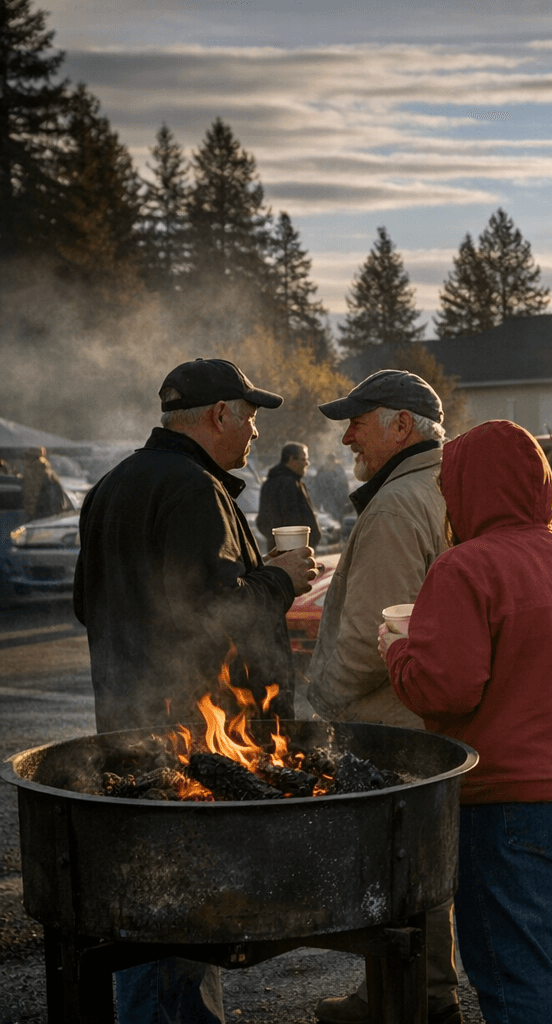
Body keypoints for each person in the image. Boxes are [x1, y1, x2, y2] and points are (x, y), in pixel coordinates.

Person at [73, 357, 316, 1024]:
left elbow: (85, 605)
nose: (257, 434)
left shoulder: (110, 488)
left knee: (148, 905)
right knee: (180, 914)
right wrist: (281, 580)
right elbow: (214, 614)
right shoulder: (195, 491)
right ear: (219, 416)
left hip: (124, 730)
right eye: (251, 418)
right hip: (190, 739)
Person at [379, 420, 552, 1024]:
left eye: (450, 487)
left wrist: (397, 650)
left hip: (510, 803)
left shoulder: (464, 568)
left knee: (515, 970)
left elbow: (445, 690)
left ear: (469, 488)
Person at [306, 370, 461, 1024]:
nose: (346, 437)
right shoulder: (440, 486)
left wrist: (321, 703)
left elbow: (377, 631)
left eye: (358, 421)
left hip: (391, 723)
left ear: (401, 425)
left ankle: (415, 1002)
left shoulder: (397, 504)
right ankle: (400, 994)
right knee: (417, 870)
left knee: (400, 872)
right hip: (425, 715)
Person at [255, 441, 321, 551]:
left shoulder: (271, 483)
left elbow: (263, 522)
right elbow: (292, 520)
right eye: (303, 459)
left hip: (280, 551)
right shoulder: (289, 484)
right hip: (294, 553)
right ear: (291, 460)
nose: (307, 463)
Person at [20, 446, 69, 521]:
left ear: (31, 456)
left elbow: (31, 493)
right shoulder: (48, 469)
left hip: (39, 511)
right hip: (51, 511)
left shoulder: (32, 469)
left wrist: (30, 513)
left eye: (27, 455)